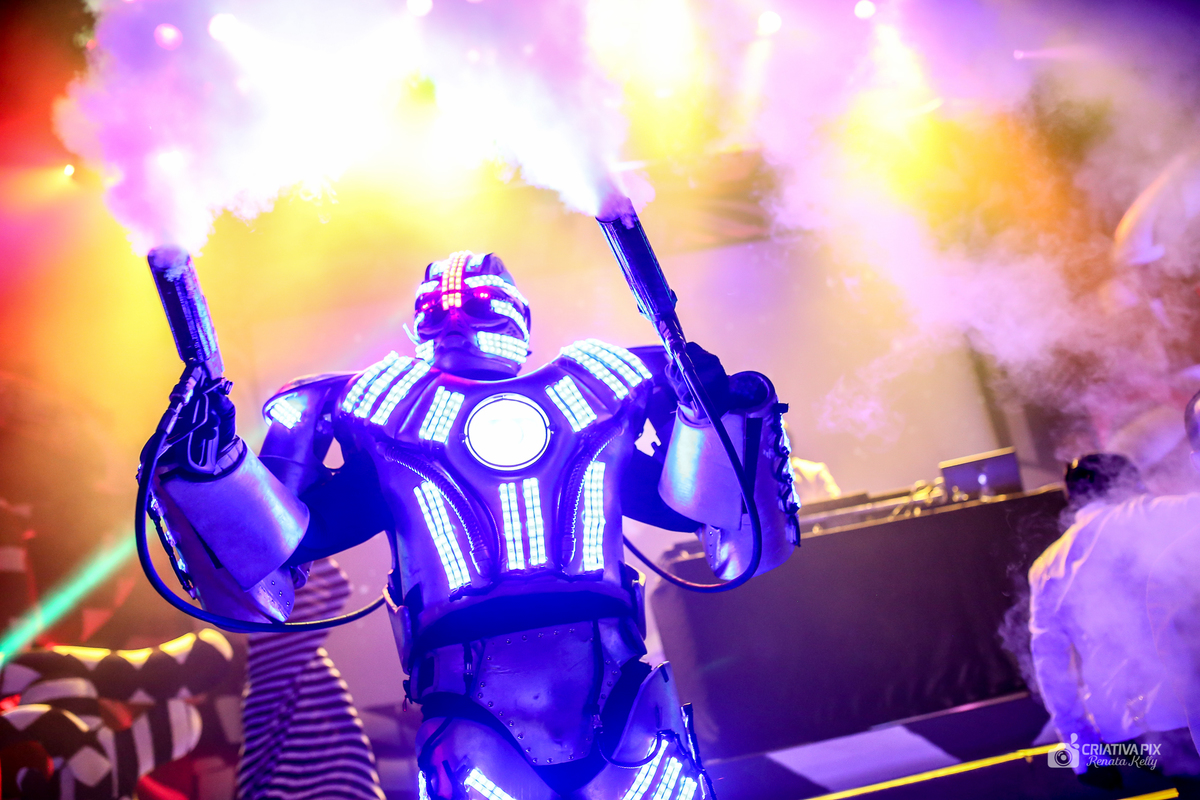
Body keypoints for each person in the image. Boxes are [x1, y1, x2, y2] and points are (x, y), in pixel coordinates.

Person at [150, 251, 800, 799]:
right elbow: (264, 577)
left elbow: (733, 532)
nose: (459, 320)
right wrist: (213, 470)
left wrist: (713, 411)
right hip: (500, 714)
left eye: (474, 306)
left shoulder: (592, 392)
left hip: (596, 700)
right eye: (444, 310)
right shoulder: (393, 411)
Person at [1028, 453, 1200, 791]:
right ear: (1128, 483)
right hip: (1184, 718)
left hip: (1126, 739)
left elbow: (1051, 666)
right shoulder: (1145, 515)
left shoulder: (1046, 566)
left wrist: (1082, 750)